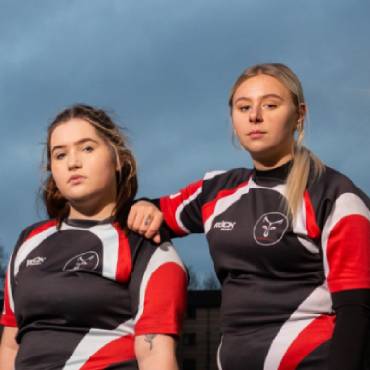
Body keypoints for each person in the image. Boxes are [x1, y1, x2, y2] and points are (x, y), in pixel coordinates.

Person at [127, 63, 370, 370]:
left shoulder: (335, 195)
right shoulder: (215, 191)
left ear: (299, 114)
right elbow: (151, 214)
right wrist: (145, 208)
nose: (255, 116)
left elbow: (356, 310)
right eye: (244, 107)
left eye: (270, 104)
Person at [0, 104, 187, 370]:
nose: (73, 162)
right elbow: (10, 344)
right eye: (60, 154)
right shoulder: (29, 241)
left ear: (118, 159)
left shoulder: (146, 245)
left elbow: (156, 355)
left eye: (87, 148)